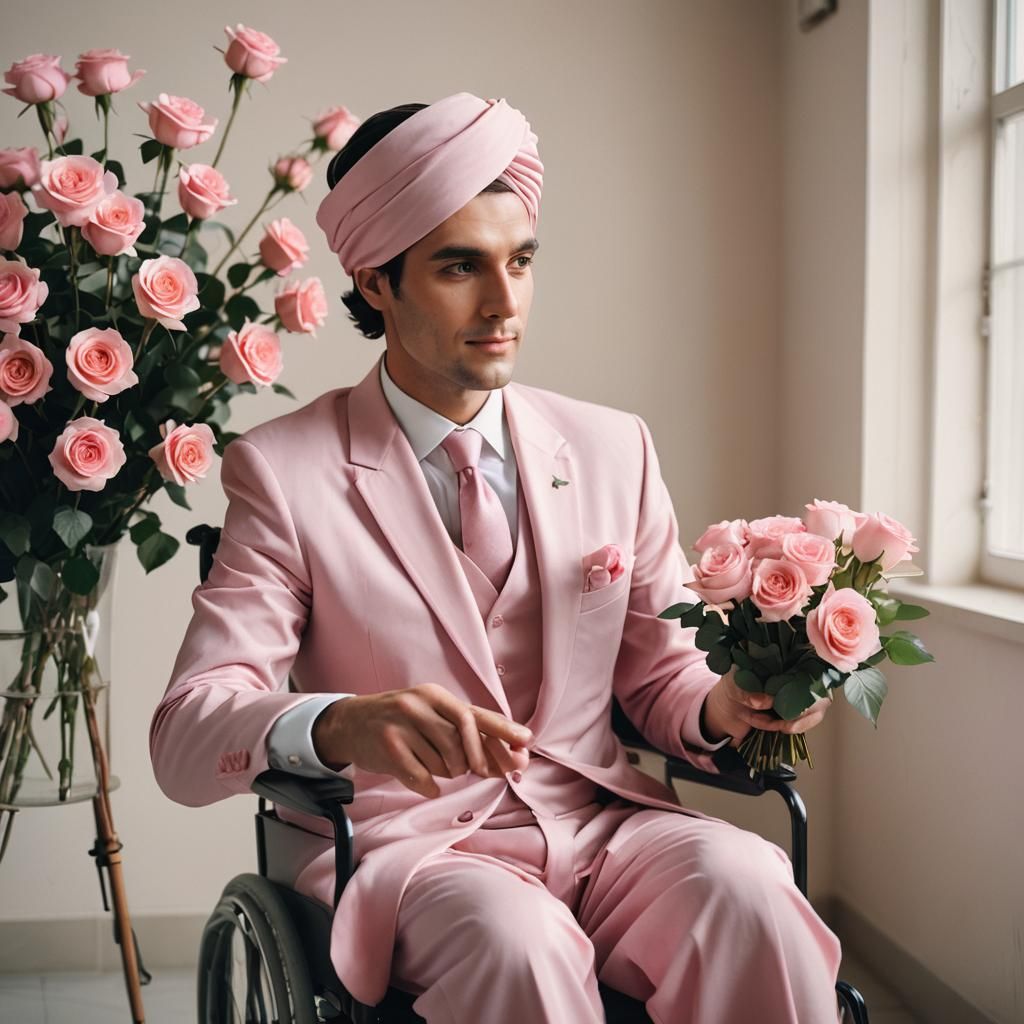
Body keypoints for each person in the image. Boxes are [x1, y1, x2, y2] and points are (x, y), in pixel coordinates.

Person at [150, 91, 842, 1023]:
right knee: (519, 944)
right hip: (410, 855)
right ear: (374, 282)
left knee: (750, 883)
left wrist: (725, 707)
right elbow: (188, 732)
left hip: (601, 823)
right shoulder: (283, 474)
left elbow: (658, 677)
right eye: (459, 268)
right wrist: (338, 722)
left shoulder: (612, 448)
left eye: (520, 262)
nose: (505, 303)